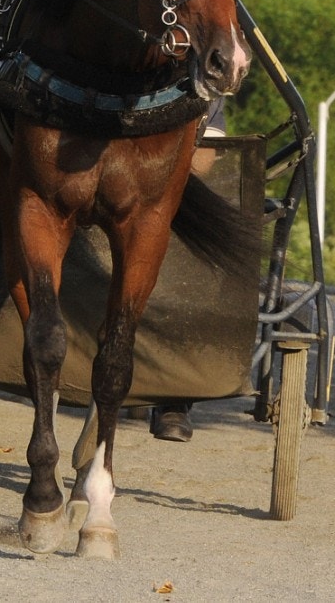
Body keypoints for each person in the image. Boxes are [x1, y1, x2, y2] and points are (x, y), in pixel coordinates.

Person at [149, 98, 227, 442]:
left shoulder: (197, 82)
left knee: (185, 265)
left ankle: (173, 399)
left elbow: (205, 161)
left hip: (161, 203)